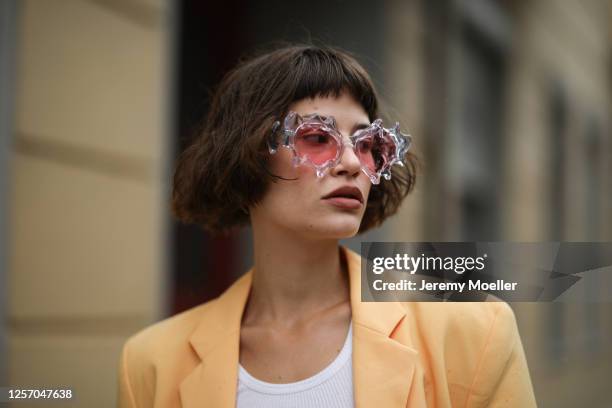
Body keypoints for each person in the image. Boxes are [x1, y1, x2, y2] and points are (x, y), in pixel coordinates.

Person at [117, 44, 537, 407]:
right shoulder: (151, 363)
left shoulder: (473, 334)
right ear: (246, 155)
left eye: (367, 144)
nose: (353, 164)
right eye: (318, 138)